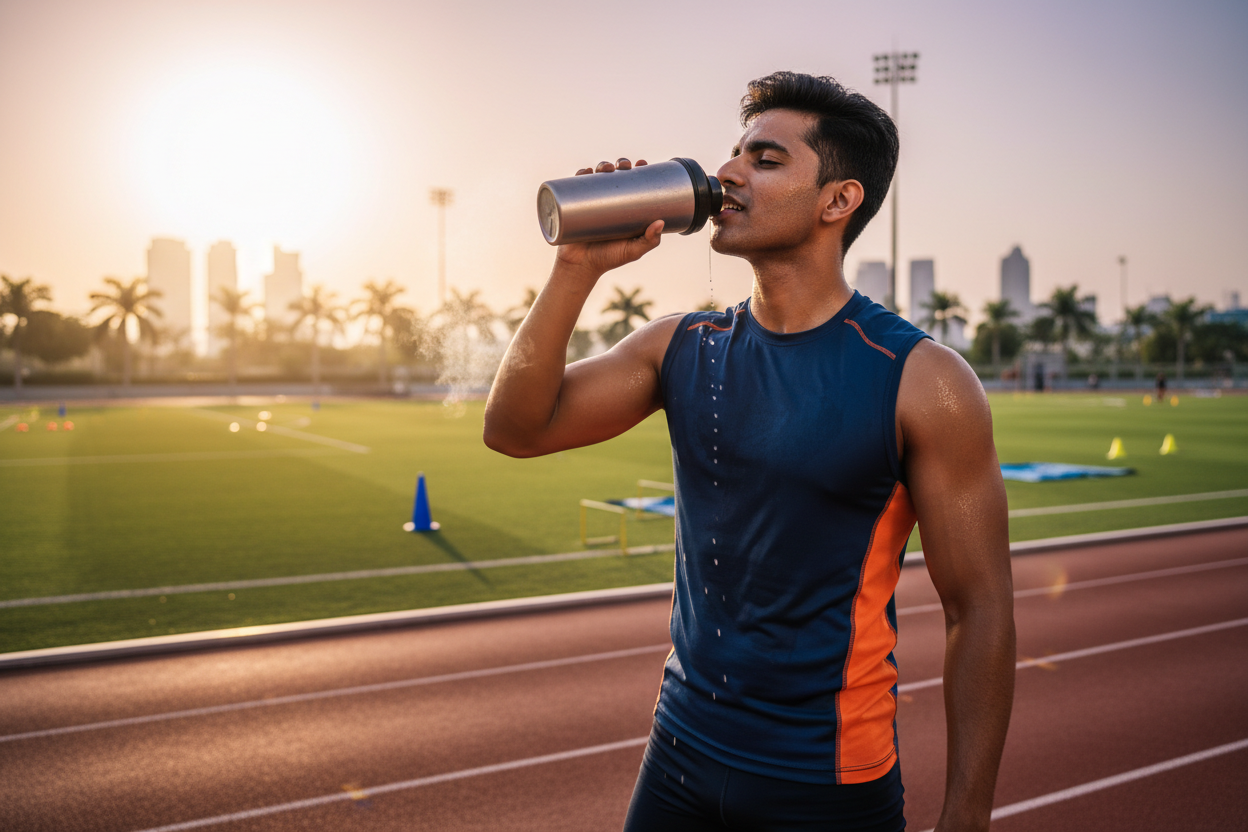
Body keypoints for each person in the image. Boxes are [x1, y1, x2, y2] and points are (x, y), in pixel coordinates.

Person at [485, 72, 1015, 832]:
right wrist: (576, 268)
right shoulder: (679, 345)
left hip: (826, 781)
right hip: (678, 754)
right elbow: (515, 429)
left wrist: (966, 819)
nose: (728, 172)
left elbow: (980, 610)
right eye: (734, 153)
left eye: (765, 160)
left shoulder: (922, 380)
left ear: (838, 201)